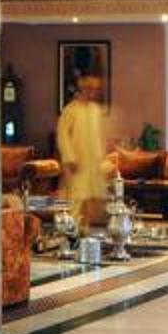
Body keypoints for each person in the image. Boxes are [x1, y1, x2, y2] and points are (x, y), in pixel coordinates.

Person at [57, 71, 112, 229]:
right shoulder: (70, 110)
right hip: (77, 163)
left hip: (94, 163)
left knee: (92, 200)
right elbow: (62, 136)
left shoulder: (95, 110)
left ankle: (85, 232)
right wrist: (69, 158)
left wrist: (103, 158)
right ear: (82, 88)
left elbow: (99, 135)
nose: (92, 92)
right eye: (89, 88)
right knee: (76, 199)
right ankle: (71, 233)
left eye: (95, 89)